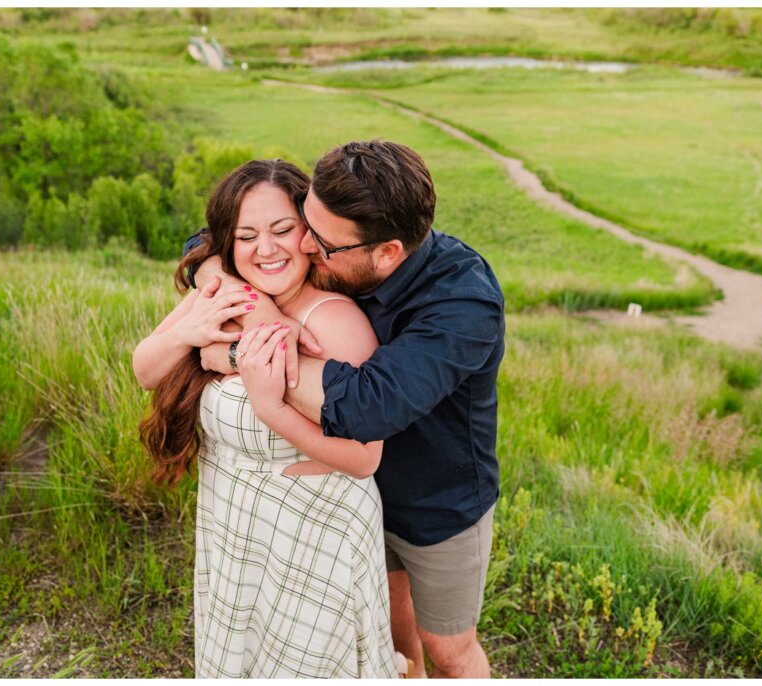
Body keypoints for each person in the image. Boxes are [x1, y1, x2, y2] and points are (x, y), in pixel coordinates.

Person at [188, 140, 505, 678]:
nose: (304, 246)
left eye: (322, 242)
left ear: (387, 253)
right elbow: (210, 244)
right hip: (355, 497)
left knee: (449, 651)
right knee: (393, 641)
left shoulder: (462, 305)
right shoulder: (344, 218)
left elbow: (364, 404)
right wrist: (264, 312)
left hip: (436, 503)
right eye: (305, 222)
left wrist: (244, 350)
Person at [132, 160, 397, 678]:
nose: (267, 249)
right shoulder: (223, 293)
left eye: (282, 230)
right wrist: (192, 331)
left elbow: (366, 455)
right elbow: (145, 369)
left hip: (314, 531)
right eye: (246, 235)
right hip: (237, 520)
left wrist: (257, 389)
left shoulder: (334, 323)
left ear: (310, 234)